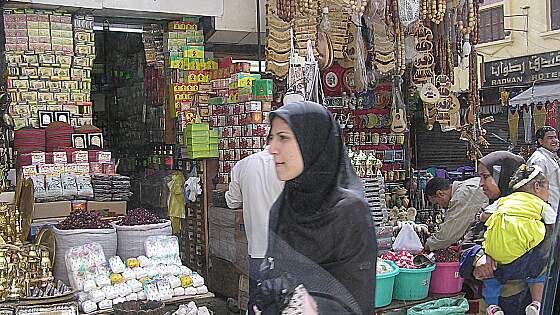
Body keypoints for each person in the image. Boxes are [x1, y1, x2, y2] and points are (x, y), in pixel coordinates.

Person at [255, 101, 376, 314]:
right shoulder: (283, 207)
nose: (272, 149)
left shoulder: (349, 213)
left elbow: (357, 298)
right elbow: (273, 271)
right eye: (271, 138)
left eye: (283, 138)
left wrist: (309, 304)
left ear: (313, 142)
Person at [481, 164, 552, 315]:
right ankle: (536, 303)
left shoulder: (504, 201)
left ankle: (493, 307)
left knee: (491, 278)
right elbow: (553, 224)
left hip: (497, 259)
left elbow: (483, 216)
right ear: (537, 187)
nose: (549, 194)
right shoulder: (540, 205)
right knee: (539, 270)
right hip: (524, 260)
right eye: (548, 189)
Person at [225, 148, 284, 315]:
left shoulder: (243, 165)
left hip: (258, 251)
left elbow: (232, 201)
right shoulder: (289, 165)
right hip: (286, 251)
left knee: (258, 303)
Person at [424, 177, 488, 251]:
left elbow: (448, 235)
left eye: (437, 203)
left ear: (440, 194)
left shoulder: (462, 195)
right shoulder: (469, 184)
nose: (441, 207)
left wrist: (428, 245)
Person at [527, 126, 560, 215]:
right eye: (550, 138)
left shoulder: (550, 157)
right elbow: (535, 187)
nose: (555, 140)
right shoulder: (539, 159)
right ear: (540, 141)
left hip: (554, 207)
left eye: (555, 137)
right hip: (546, 209)